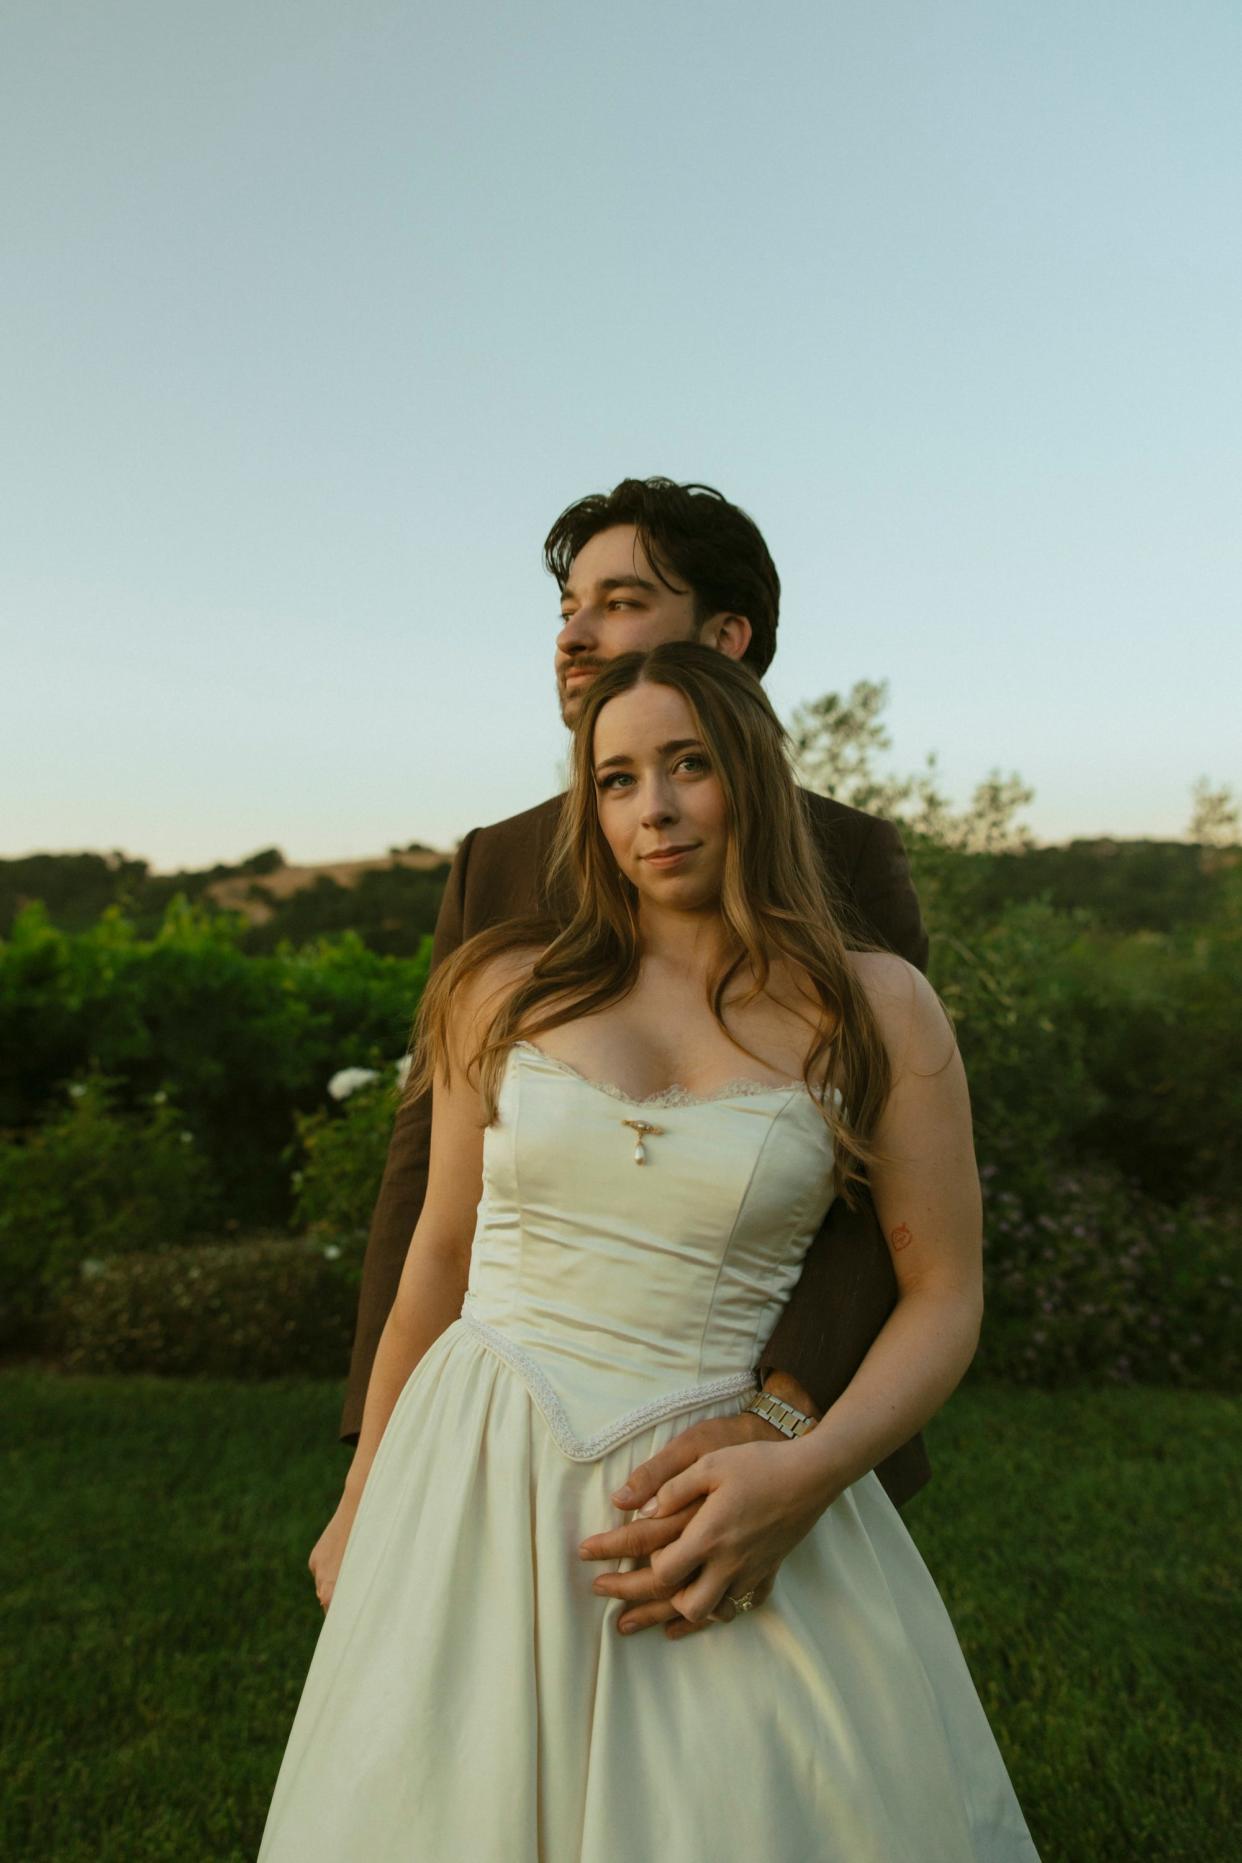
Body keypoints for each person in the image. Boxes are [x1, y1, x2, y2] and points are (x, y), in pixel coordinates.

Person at [259, 641, 1040, 1859]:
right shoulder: (499, 988)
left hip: (712, 1490)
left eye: (689, 766)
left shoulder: (877, 1006)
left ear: (756, 779)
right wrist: (363, 1497)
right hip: (473, 1476)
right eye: (616, 779)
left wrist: (805, 1469)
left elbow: (942, 1295)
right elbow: (437, 1257)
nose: (656, 809)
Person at [330, 476, 933, 1642]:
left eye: (618, 601)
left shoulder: (850, 860)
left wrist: (788, 1429)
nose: (574, 633)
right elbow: (428, 1186)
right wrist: (376, 1459)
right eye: (566, 606)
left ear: (725, 638)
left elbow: (874, 1183)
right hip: (495, 1434)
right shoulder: (497, 865)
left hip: (748, 1434)